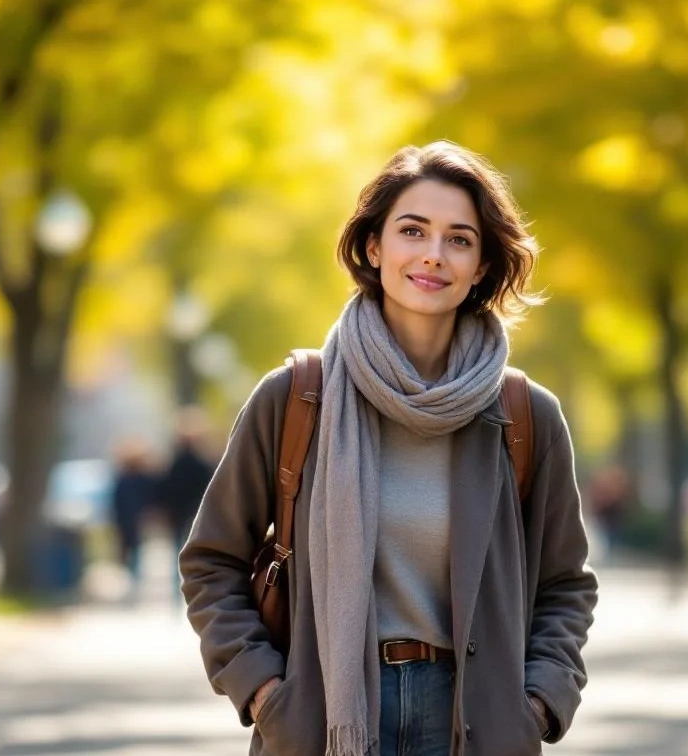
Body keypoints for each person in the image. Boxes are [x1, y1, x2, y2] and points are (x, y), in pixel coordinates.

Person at [180, 141, 598, 756]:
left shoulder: (522, 415)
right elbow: (210, 562)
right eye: (412, 230)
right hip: (323, 721)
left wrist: (536, 702)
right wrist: (267, 692)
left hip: (472, 724)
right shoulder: (297, 399)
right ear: (374, 248)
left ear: (482, 265)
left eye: (459, 239)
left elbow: (565, 585)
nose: (433, 255)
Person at [159, 407, 216, 605]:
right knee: (197, 552)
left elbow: (166, 489)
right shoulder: (202, 463)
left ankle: (178, 592)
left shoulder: (174, 464)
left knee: (178, 551)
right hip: (196, 512)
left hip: (177, 513)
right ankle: (195, 590)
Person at [110, 438, 156, 601]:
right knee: (134, 551)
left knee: (129, 551)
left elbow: (116, 501)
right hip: (135, 519)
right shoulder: (142, 478)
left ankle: (133, 581)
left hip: (126, 520)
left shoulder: (123, 479)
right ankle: (134, 580)